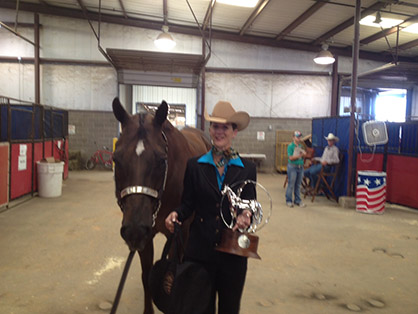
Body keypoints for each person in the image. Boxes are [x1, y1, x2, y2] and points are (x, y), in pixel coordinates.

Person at [165, 100, 256, 314]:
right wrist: (176, 213)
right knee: (200, 308)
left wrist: (246, 215)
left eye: (225, 127)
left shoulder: (247, 169)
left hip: (232, 255)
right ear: (210, 129)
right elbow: (188, 203)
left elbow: (250, 204)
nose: (219, 131)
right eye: (215, 126)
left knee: (229, 309)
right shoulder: (195, 166)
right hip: (199, 252)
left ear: (234, 132)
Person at [285, 131, 307, 208]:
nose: (298, 138)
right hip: (292, 167)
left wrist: (303, 155)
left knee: (298, 185)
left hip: (300, 166)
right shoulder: (290, 146)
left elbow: (303, 156)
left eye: (299, 137)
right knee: (291, 184)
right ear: (293, 137)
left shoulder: (301, 146)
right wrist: (299, 156)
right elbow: (290, 158)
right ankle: (289, 200)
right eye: (297, 137)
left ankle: (298, 200)